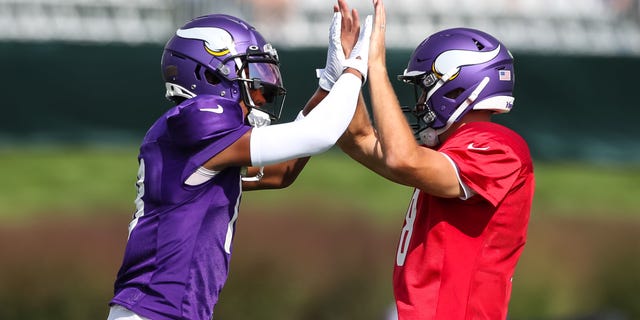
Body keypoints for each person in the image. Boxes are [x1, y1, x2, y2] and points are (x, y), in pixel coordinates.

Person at [106, 6, 372, 320]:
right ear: (209, 73)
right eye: (254, 81)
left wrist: (328, 85)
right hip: (155, 311)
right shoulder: (195, 119)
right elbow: (320, 133)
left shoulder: (190, 140)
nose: (260, 96)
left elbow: (281, 172)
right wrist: (355, 69)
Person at [337, 0, 535, 319]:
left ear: (456, 86)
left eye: (423, 88)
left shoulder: (499, 146)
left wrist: (377, 68)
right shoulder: (445, 152)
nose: (418, 105)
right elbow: (357, 140)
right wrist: (349, 69)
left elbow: (403, 158)